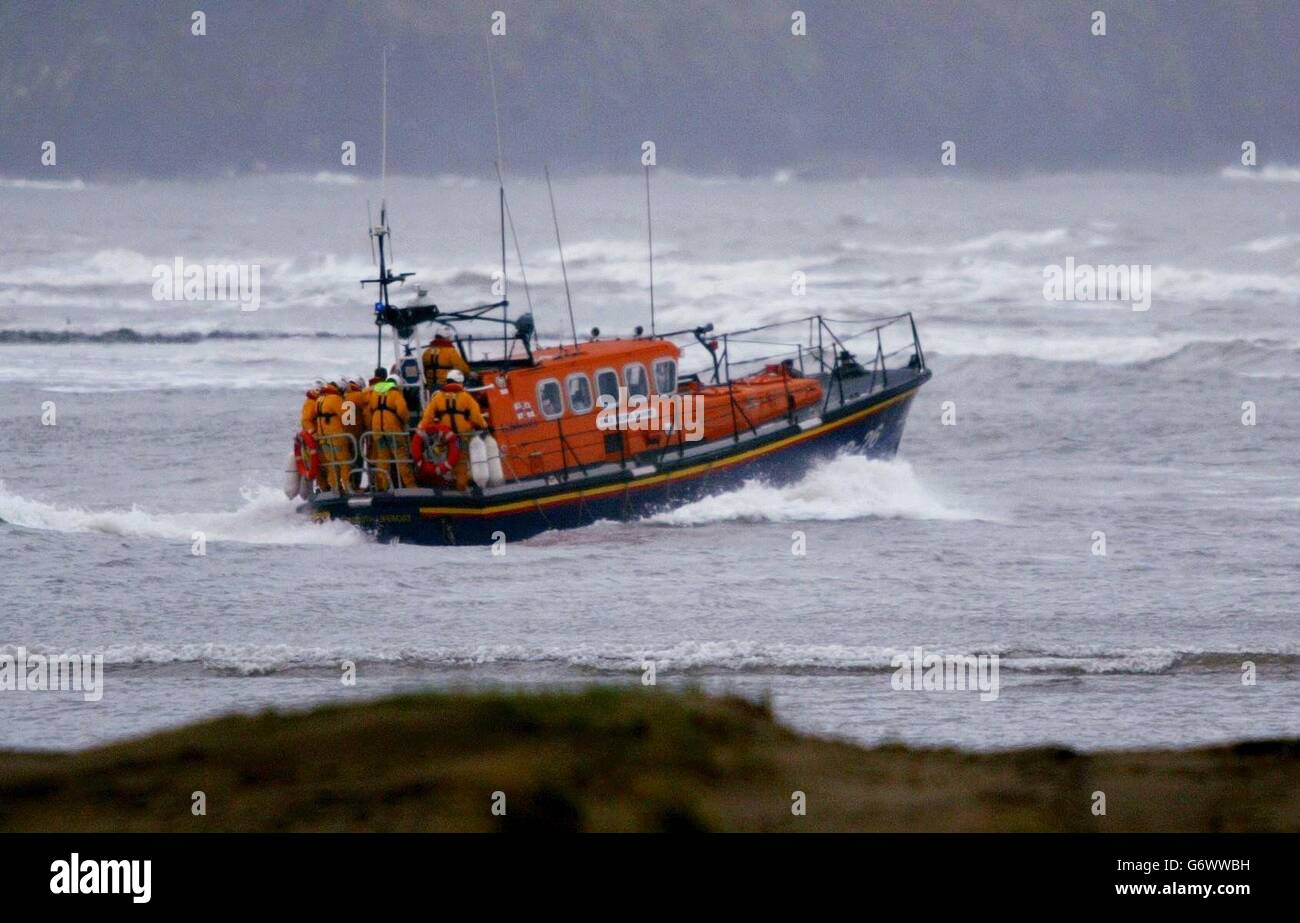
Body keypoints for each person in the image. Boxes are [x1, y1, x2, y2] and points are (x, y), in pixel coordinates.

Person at [419, 368, 487, 490]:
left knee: (444, 460)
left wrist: (421, 429)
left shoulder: (438, 398)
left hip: (444, 438)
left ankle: (445, 485)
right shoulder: (466, 397)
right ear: (460, 382)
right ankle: (461, 489)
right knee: (461, 464)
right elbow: (477, 417)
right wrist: (484, 425)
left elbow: (427, 417)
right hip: (461, 437)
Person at [367, 374, 416, 491]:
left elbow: (370, 410)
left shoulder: (374, 393)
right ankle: (411, 487)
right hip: (392, 429)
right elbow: (402, 411)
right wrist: (406, 421)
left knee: (383, 459)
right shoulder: (396, 394)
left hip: (377, 430)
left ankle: (383, 487)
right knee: (401, 459)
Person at [314, 381, 350, 494]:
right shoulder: (336, 399)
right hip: (336, 436)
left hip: (323, 438)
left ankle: (334, 488)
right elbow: (347, 418)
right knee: (344, 463)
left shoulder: (319, 399)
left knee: (331, 464)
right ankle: (348, 488)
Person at [421, 326, 470, 393]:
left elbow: (422, 370)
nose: (450, 339)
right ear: (446, 337)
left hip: (430, 388)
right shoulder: (450, 351)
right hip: (446, 387)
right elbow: (461, 368)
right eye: (449, 337)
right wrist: (470, 374)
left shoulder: (426, 352)